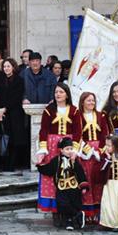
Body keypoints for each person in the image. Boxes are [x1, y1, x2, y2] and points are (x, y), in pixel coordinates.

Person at [36, 83, 80, 214]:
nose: (58, 95)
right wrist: (43, 149)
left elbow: (78, 131)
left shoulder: (74, 110)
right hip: (52, 145)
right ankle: (54, 207)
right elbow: (43, 130)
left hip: (68, 146)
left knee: (68, 173)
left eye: (61, 92)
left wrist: (74, 149)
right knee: (53, 173)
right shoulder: (49, 110)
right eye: (56, 92)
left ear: (67, 94)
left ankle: (68, 207)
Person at [36, 138, 87, 230]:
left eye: (71, 149)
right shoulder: (56, 160)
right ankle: (76, 215)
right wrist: (40, 165)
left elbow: (80, 173)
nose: (70, 151)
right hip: (61, 188)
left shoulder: (75, 160)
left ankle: (73, 222)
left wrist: (83, 186)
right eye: (67, 149)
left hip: (74, 187)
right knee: (62, 204)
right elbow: (49, 169)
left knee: (74, 203)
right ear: (61, 150)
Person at [73, 91, 108, 222]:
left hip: (98, 152)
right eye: (88, 100)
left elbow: (105, 134)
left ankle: (98, 212)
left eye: (93, 100)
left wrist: (99, 151)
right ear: (82, 102)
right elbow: (77, 135)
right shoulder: (78, 116)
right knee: (87, 181)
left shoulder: (101, 115)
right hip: (85, 152)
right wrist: (88, 150)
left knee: (98, 182)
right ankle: (87, 212)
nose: (91, 103)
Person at [0, 58, 26, 171]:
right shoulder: (0, 79)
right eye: (4, 67)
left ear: (13, 67)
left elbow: (17, 97)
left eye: (8, 66)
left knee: (14, 139)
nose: (6, 69)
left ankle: (12, 164)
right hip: (2, 114)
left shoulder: (19, 80)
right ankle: (3, 164)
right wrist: (0, 109)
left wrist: (5, 108)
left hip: (14, 113)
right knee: (4, 138)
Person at [99, 135, 118, 231]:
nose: (107, 147)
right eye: (106, 145)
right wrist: (107, 159)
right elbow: (101, 169)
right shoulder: (105, 155)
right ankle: (108, 223)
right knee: (108, 204)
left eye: (109, 145)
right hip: (110, 184)